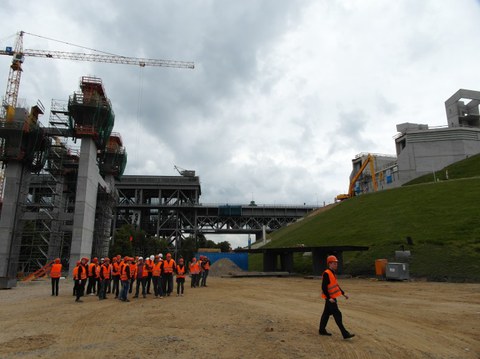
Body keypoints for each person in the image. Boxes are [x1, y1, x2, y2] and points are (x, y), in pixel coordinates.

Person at [319, 255, 355, 339]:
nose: (336, 265)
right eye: (334, 263)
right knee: (337, 314)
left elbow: (335, 285)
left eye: (336, 263)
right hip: (330, 298)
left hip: (331, 298)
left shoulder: (332, 273)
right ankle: (345, 333)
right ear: (330, 264)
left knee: (326, 314)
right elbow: (324, 287)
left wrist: (343, 293)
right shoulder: (327, 273)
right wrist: (329, 298)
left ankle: (321, 330)